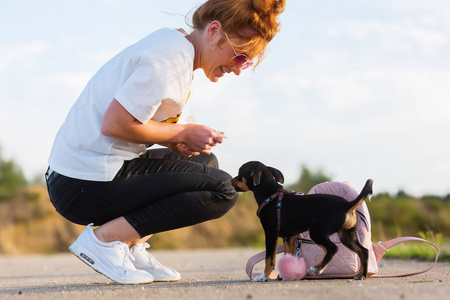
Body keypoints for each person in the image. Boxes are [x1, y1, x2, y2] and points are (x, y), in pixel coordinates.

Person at [46, 0, 285, 284]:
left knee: (204, 163)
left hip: (84, 173)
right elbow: (114, 124)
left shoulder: (175, 47)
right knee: (223, 189)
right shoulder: (170, 61)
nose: (238, 69)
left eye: (246, 62)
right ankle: (105, 240)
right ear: (214, 31)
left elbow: (132, 123)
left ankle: (130, 244)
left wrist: (175, 141)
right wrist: (180, 133)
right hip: (82, 183)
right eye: (239, 56)